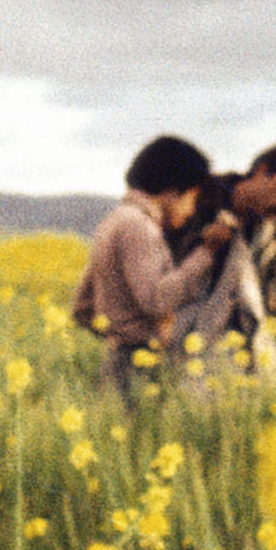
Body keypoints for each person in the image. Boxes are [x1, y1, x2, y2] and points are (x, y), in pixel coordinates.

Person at [73, 136, 228, 390]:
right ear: (173, 190)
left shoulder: (115, 220)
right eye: (192, 198)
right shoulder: (139, 227)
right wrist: (206, 251)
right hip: (138, 364)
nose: (191, 211)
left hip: (116, 363)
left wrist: (115, 334)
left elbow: (82, 307)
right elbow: (157, 300)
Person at [188, 136, 276, 372]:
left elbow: (267, 311)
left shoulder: (271, 238)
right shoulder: (191, 202)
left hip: (227, 366)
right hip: (174, 354)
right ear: (261, 172)